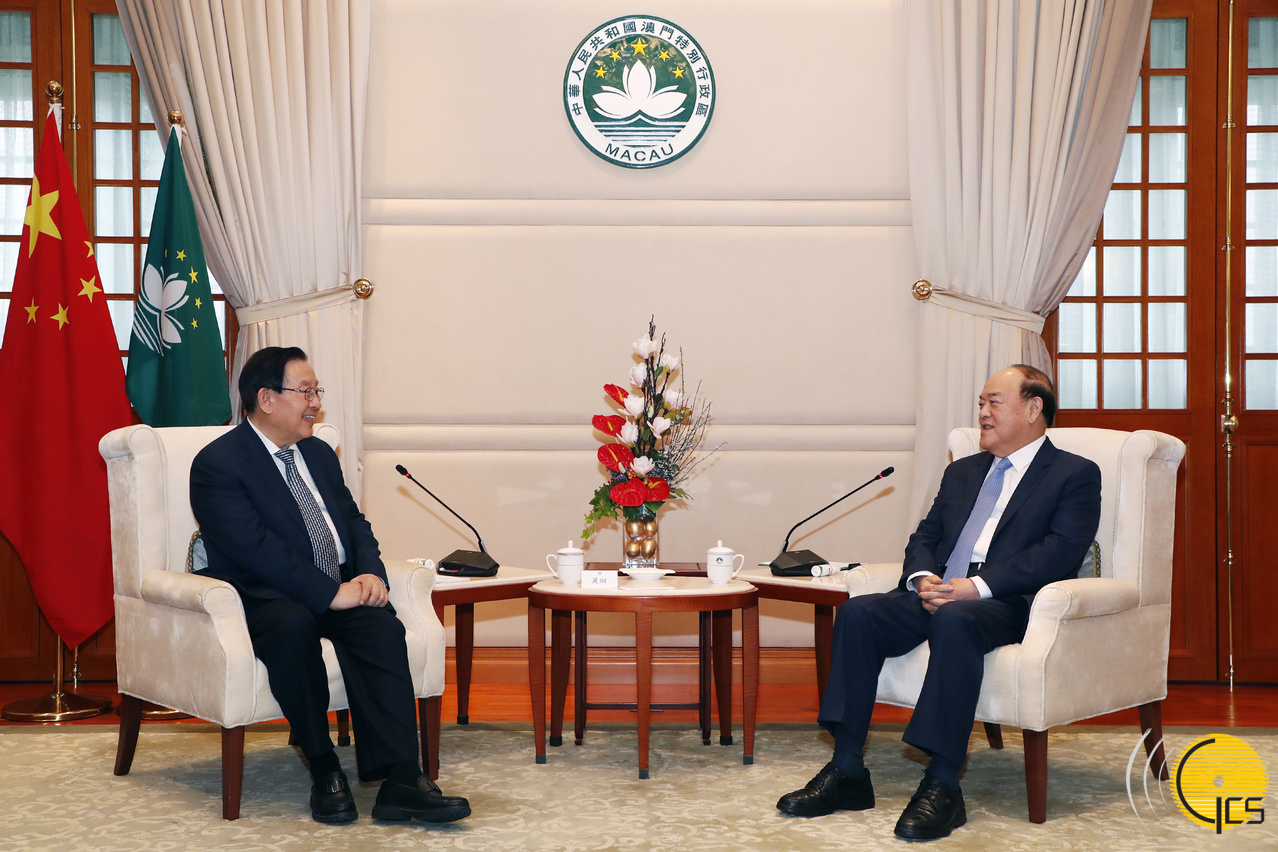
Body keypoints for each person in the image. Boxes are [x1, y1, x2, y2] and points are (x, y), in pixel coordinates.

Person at [776, 365, 1100, 841]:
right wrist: (922, 577)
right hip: (941, 589)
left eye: (993, 402)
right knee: (858, 613)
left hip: (1006, 600)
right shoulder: (963, 471)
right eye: (981, 403)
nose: (983, 412)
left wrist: (976, 586)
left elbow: (1059, 553)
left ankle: (943, 783)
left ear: (1033, 408)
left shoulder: (1074, 473)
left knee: (956, 619)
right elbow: (926, 535)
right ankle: (847, 769)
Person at [190, 346, 470, 825]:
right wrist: (328, 593)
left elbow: (353, 522)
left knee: (381, 628)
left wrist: (370, 574)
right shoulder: (218, 463)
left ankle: (402, 780)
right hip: (264, 594)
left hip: (336, 586)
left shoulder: (318, 453)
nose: (316, 402)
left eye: (317, 391)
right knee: (293, 626)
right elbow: (253, 548)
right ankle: (324, 768)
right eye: (306, 391)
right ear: (267, 398)